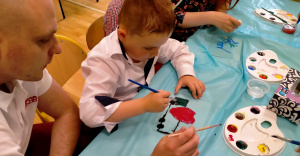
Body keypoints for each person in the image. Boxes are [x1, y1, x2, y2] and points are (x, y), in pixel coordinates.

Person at [0, 0, 200, 156]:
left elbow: (68, 112)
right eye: (42, 40)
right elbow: (90, 112)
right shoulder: (105, 60)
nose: (57, 48)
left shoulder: (23, 72)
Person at [80, 0, 205, 133]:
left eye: (160, 46)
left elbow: (178, 49)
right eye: (149, 48)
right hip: (118, 121)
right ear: (123, 35)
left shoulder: (148, 40)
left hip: (143, 104)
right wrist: (143, 105)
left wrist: (186, 73)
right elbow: (90, 113)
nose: (156, 53)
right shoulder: (104, 61)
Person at [103, 0, 241, 42]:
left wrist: (220, 10)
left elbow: (174, 52)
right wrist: (210, 17)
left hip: (166, 43)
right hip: (153, 36)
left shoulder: (162, 49)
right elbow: (164, 15)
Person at [171, 0, 242, 41]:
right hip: (171, 37)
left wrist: (220, 11)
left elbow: (224, 3)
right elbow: (169, 17)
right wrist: (211, 17)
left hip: (197, 33)